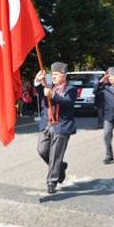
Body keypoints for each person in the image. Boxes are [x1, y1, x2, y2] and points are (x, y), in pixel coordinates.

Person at [34, 62, 77, 194]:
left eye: (56, 74)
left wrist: (53, 96)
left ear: (63, 76)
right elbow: (41, 93)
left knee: (55, 154)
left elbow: (68, 102)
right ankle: (60, 167)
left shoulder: (71, 89)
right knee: (42, 150)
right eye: (52, 74)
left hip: (62, 125)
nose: (53, 77)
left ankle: (52, 181)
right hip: (47, 124)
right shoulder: (48, 87)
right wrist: (37, 81)